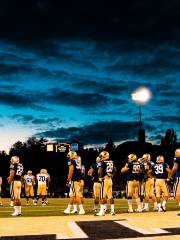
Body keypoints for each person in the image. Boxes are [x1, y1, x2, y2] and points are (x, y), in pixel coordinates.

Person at [95, 151, 116, 216]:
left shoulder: (102, 162)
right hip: (110, 180)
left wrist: (100, 177)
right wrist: (112, 175)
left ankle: (102, 212)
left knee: (102, 196)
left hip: (105, 180)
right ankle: (112, 211)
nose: (100, 157)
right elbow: (115, 170)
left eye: (101, 156)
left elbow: (100, 171)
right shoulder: (111, 162)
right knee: (110, 196)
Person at [171, 148, 180, 215]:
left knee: (176, 195)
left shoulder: (176, 158)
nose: (175, 153)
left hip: (179, 177)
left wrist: (170, 175)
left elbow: (175, 168)